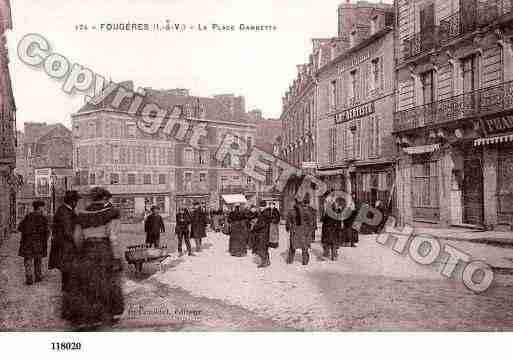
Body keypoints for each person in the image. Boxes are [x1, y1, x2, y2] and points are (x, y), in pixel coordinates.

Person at [63, 187, 124, 329]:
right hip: (104, 250)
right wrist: (117, 257)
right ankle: (112, 313)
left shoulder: (82, 214)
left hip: (87, 250)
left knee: (87, 283)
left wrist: (82, 251)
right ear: (104, 198)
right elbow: (113, 237)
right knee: (109, 281)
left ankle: (89, 317)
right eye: (107, 198)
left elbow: (77, 237)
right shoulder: (111, 213)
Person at [49, 190, 80, 291]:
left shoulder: (64, 210)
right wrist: (78, 241)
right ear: (72, 201)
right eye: (76, 201)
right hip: (66, 244)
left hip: (64, 243)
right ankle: (67, 288)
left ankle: (66, 286)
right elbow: (67, 231)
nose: (76, 203)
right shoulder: (65, 212)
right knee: (68, 266)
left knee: (67, 267)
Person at [17, 200, 50, 285]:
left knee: (28, 260)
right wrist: (44, 240)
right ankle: (38, 276)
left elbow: (20, 228)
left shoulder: (28, 216)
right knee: (38, 259)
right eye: (43, 207)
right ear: (39, 208)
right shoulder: (43, 218)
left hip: (27, 242)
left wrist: (27, 233)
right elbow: (47, 232)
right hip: (38, 242)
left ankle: (29, 278)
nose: (44, 208)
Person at [286, 197, 312, 265]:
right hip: (303, 230)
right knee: (304, 246)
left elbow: (288, 222)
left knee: (292, 246)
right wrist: (308, 230)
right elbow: (310, 222)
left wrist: (288, 228)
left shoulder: (291, 211)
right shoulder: (306, 211)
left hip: (294, 230)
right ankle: (305, 261)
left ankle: (290, 260)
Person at [321, 195, 344, 261]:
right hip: (334, 229)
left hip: (328, 229)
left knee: (327, 242)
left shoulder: (327, 212)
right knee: (334, 242)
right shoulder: (337, 213)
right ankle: (334, 255)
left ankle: (326, 254)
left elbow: (323, 220)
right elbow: (339, 222)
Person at [252, 201, 271, 268]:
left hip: (262, 233)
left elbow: (262, 224)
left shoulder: (265, 214)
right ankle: (267, 261)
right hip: (264, 233)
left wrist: (255, 226)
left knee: (262, 248)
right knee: (264, 248)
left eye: (261, 207)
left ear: (263, 206)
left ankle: (264, 262)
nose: (260, 208)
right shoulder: (265, 213)